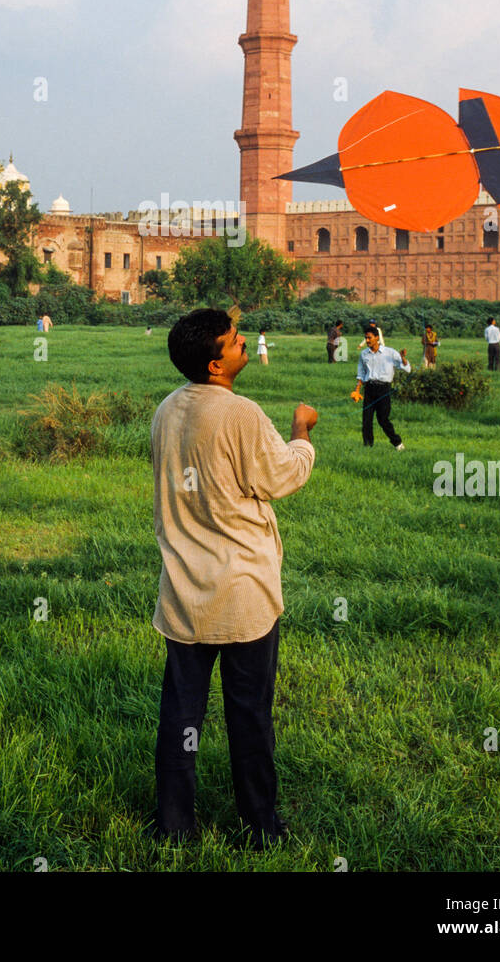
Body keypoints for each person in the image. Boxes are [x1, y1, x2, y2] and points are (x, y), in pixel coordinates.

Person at [150, 308, 317, 849]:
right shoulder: (240, 414)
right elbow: (283, 475)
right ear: (217, 362)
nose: (245, 342)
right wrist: (301, 431)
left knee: (181, 715)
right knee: (249, 716)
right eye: (236, 339)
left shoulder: (167, 410)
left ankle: (175, 828)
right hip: (242, 592)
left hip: (183, 592)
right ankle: (260, 828)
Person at [352, 326, 411, 449]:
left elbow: (406, 367)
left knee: (383, 419)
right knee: (366, 420)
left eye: (369, 338)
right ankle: (368, 446)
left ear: (377, 338)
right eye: (365, 338)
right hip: (369, 389)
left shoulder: (390, 353)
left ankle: (397, 443)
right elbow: (361, 373)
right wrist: (357, 390)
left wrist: (403, 358)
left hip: (383, 390)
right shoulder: (364, 354)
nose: (367, 340)